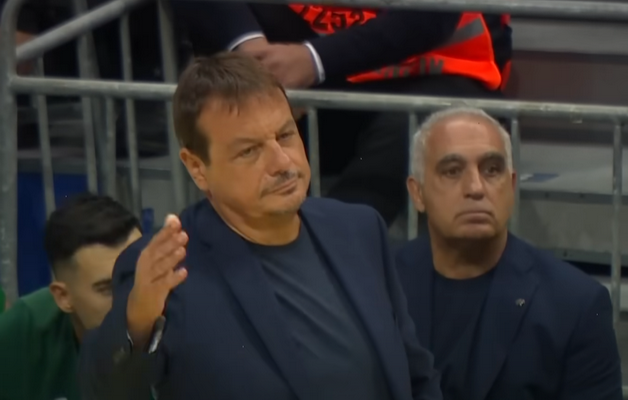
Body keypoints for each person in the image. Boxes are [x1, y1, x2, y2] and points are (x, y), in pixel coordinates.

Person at [79, 52, 441, 400]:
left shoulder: (358, 229)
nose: (282, 163)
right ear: (197, 168)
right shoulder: (164, 270)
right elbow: (107, 393)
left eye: (285, 135)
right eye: (249, 151)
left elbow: (414, 374)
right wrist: (138, 321)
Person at [169, 1, 511, 226]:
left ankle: (324, 256)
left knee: (423, 133)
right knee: (243, 127)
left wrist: (312, 61)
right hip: (305, 91)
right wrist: (254, 56)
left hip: (435, 78)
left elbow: (431, 17)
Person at [395, 107, 622, 400]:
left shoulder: (575, 305)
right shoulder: (379, 286)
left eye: (492, 170)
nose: (476, 188)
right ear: (417, 193)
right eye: (452, 171)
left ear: (512, 186)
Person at [0, 193, 142, 400]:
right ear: (63, 297)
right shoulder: (24, 333)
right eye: (107, 289)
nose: (132, 297)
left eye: (138, 278)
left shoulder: (183, 326)